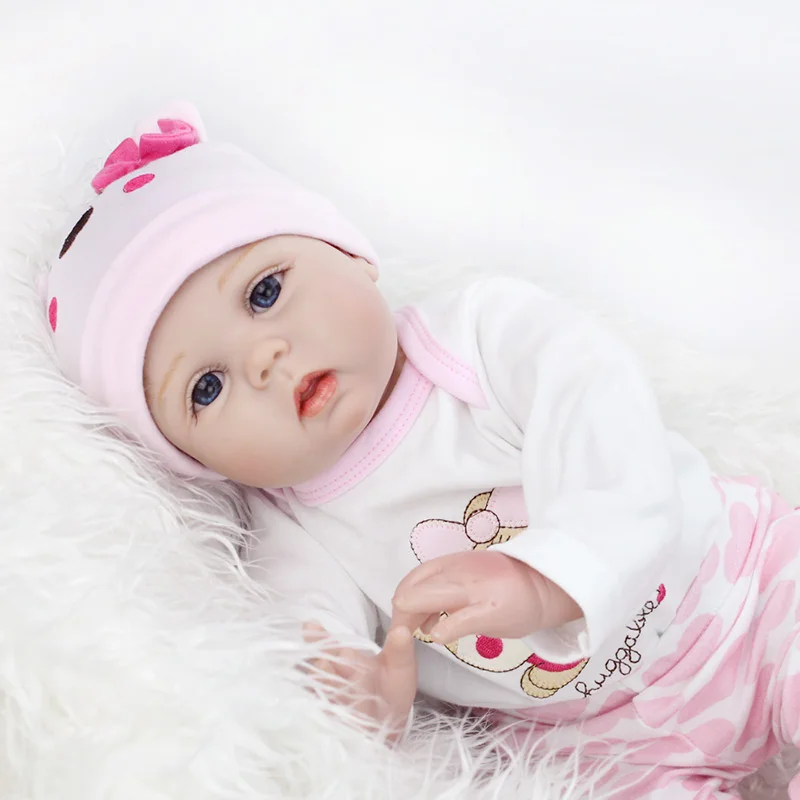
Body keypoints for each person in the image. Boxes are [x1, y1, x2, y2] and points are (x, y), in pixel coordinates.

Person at [45, 102, 800, 798]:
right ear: (197, 461)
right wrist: (367, 700)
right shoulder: (292, 529)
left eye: (264, 293)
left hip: (741, 593)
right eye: (207, 388)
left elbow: (602, 417)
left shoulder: (484, 336)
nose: (264, 360)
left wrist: (545, 579)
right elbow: (313, 649)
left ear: (350, 253)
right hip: (598, 746)